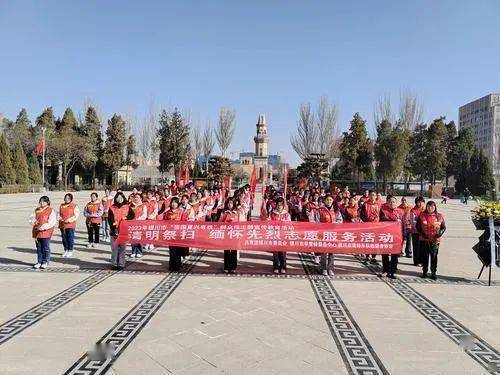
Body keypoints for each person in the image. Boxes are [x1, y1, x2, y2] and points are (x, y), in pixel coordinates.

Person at [417, 201, 446, 280]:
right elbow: (418, 226)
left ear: (435, 207)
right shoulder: (422, 215)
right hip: (424, 239)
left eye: (432, 207)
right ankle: (424, 272)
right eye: (429, 207)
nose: (430, 208)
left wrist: (439, 233)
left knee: (434, 256)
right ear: (426, 207)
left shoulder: (439, 216)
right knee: (425, 256)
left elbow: (443, 227)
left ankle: (433, 273)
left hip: (435, 240)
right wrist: (422, 234)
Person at [315, 195, 343, 276]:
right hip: (323, 234)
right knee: (323, 252)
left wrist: (336, 224)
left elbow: (340, 220)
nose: (329, 201)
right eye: (327, 200)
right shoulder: (320, 210)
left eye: (330, 200)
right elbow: (317, 221)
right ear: (324, 201)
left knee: (331, 252)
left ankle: (330, 268)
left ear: (333, 201)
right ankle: (323, 268)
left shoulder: (336, 210)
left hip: (333, 234)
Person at [379, 196, 404, 279]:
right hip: (386, 235)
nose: (392, 203)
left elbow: (403, 224)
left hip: (397, 236)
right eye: (390, 201)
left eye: (394, 202)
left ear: (396, 203)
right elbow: (383, 220)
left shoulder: (400, 212)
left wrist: (404, 236)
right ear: (387, 203)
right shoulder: (383, 211)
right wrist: (394, 221)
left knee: (395, 255)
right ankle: (385, 270)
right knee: (385, 254)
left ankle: (393, 271)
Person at [30, 196, 57, 269]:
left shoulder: (51, 211)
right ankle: (39, 261)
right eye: (40, 201)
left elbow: (52, 222)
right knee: (39, 248)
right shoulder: (37, 210)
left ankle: (45, 261)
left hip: (46, 232)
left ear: (47, 202)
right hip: (37, 232)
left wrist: (42, 227)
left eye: (43, 201)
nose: (41, 203)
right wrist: (33, 222)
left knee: (45, 248)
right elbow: (32, 218)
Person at [164, 197, 191, 271]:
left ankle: (178, 265)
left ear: (177, 203)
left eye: (175, 202)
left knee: (178, 251)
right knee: (171, 250)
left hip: (178, 234)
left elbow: (185, 222)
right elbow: (164, 222)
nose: (173, 204)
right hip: (170, 234)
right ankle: (171, 265)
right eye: (172, 202)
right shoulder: (167, 212)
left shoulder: (181, 212)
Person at [107, 192, 130, 270]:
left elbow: (132, 216)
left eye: (121, 198)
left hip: (124, 231)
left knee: (122, 248)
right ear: (115, 199)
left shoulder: (127, 207)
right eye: (118, 198)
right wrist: (114, 229)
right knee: (114, 248)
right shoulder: (111, 208)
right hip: (114, 231)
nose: (119, 199)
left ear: (123, 198)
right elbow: (110, 220)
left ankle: (121, 264)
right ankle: (114, 264)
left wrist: (126, 217)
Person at [269, 198, 291, 274]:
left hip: (283, 235)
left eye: (281, 205)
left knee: (283, 252)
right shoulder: (272, 213)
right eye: (278, 205)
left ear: (283, 206)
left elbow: (289, 224)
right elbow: (269, 223)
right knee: (275, 252)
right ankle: (275, 266)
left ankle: (283, 267)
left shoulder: (287, 214)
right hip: (275, 235)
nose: (279, 207)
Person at [219, 198, 241, 273]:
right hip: (226, 234)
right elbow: (219, 222)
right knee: (227, 251)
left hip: (235, 233)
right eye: (228, 203)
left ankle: (233, 267)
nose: (229, 205)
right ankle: (226, 266)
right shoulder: (224, 212)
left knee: (234, 250)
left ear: (234, 204)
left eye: (231, 203)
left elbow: (241, 222)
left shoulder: (237, 212)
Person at [360, 190, 381, 264]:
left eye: (374, 195)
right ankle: (367, 256)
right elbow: (362, 215)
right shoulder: (365, 204)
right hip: (368, 226)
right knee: (368, 241)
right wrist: (367, 222)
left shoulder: (379, 204)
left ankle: (373, 257)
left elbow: (381, 215)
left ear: (376, 196)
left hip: (377, 226)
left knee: (375, 242)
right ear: (369, 196)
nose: (372, 196)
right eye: (371, 195)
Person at [58, 193, 80, 257]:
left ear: (71, 199)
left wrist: (69, 220)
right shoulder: (61, 205)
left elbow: (76, 215)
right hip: (62, 224)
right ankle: (66, 250)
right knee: (64, 238)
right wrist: (59, 217)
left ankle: (70, 250)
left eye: (68, 198)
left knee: (70, 238)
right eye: (66, 198)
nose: (67, 199)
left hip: (70, 225)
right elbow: (59, 213)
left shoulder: (74, 206)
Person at [410, 196, 426, 266]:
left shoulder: (425, 210)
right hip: (416, 231)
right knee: (416, 247)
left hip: (424, 232)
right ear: (416, 202)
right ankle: (416, 261)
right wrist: (419, 229)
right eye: (419, 202)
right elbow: (413, 222)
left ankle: (422, 261)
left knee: (423, 247)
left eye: (422, 202)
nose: (420, 203)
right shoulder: (413, 210)